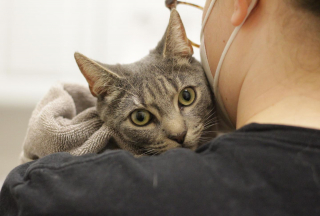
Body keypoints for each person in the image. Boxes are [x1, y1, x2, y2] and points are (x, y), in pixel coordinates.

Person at [1, 0, 320, 215]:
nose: (178, 131)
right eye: (142, 116)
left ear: (242, 3)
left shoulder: (49, 194)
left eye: (185, 99)